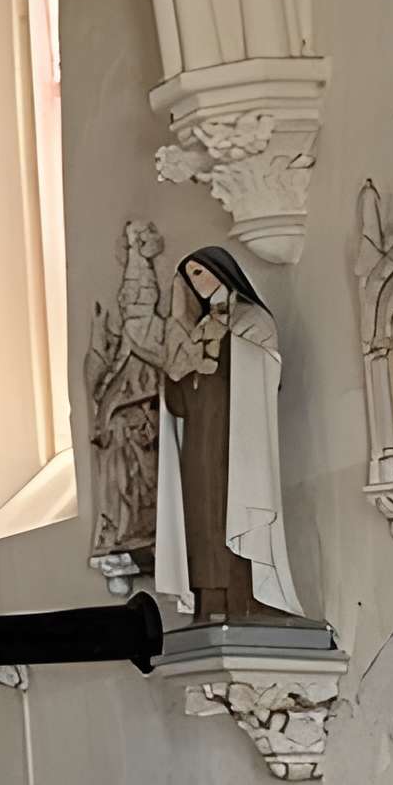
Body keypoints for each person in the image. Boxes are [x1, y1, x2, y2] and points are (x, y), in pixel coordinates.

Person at [154, 244, 303, 623]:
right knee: (201, 517)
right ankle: (210, 601)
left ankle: (245, 598)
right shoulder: (199, 327)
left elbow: (267, 369)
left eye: (200, 272)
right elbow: (179, 397)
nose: (196, 282)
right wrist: (177, 373)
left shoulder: (252, 320)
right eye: (190, 276)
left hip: (235, 440)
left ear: (221, 270)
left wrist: (220, 355)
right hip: (200, 441)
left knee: (229, 510)